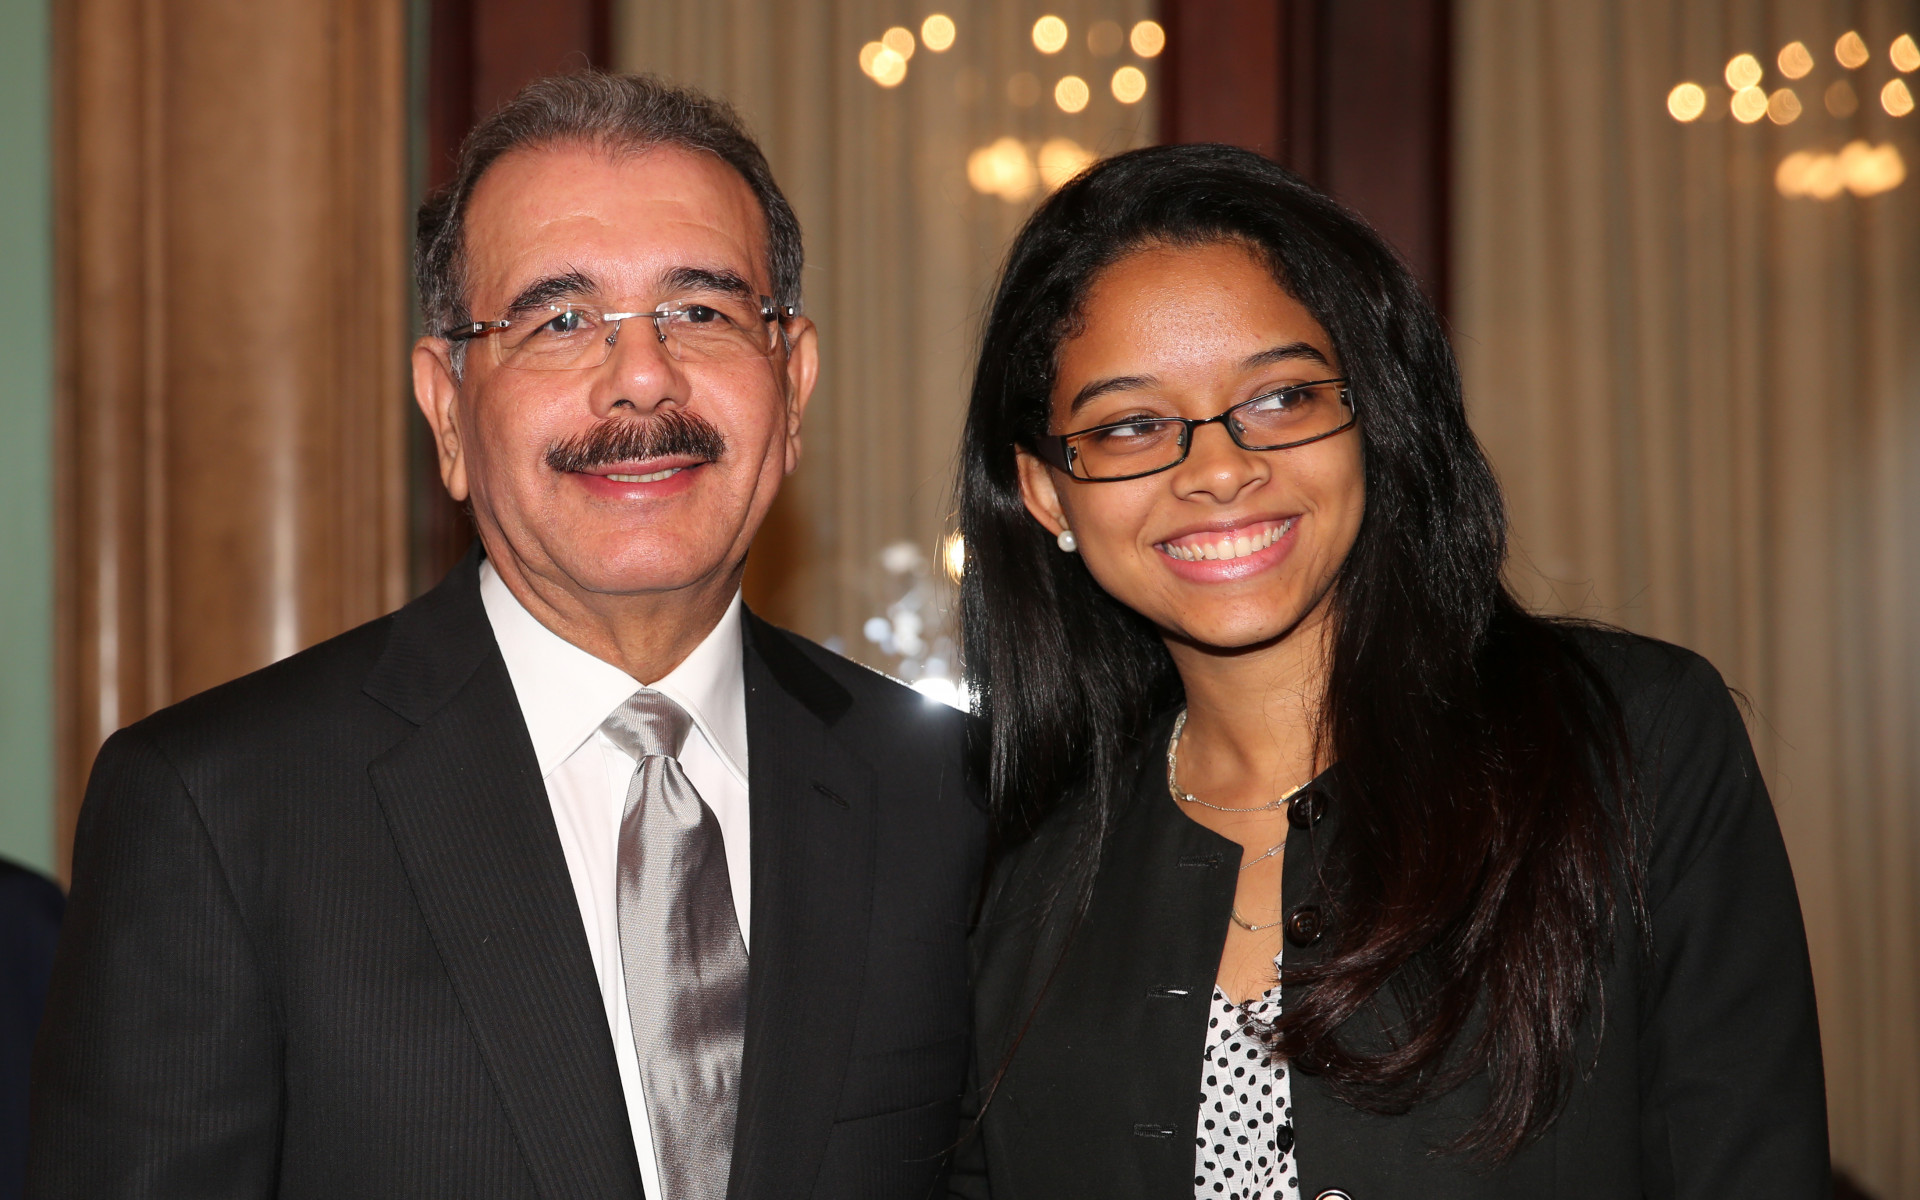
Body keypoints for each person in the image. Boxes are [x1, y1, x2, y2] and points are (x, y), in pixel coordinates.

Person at [30, 72, 984, 1200]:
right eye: (560, 321)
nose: (644, 379)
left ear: (794, 384)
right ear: (447, 408)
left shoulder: (950, 798)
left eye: (702, 312)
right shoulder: (218, 810)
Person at [947, 143, 1829, 1199]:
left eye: (1281, 397)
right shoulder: (1011, 862)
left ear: (1370, 416)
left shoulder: (1630, 743)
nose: (1221, 469)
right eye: (1133, 425)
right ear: (1047, 492)